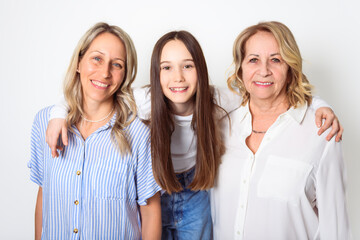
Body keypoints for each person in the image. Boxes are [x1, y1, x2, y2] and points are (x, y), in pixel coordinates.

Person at [46, 30, 342, 239]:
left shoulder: (219, 101)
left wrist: (319, 104)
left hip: (197, 189)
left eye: (187, 66)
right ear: (156, 73)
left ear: (200, 69)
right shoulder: (143, 101)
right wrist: (58, 113)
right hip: (154, 190)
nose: (178, 78)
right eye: (167, 68)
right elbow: (97, 96)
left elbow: (263, 93)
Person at [211, 21, 350, 239]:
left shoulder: (322, 134)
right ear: (241, 68)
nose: (263, 71)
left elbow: (336, 229)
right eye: (253, 60)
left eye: (275, 60)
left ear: (290, 68)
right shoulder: (221, 127)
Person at [28, 22, 161, 240]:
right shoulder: (45, 122)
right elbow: (44, 194)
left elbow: (151, 211)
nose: (105, 72)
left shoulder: (139, 133)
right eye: (97, 58)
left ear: (125, 74)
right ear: (79, 62)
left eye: (117, 64)